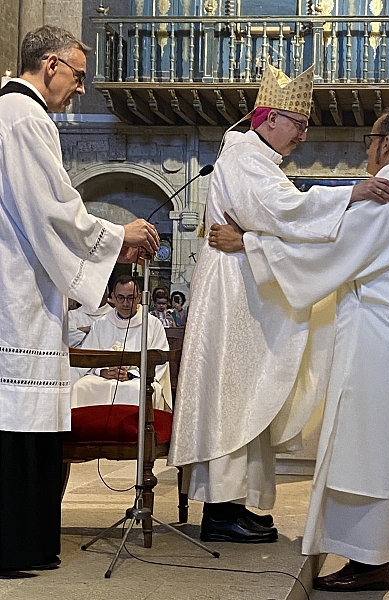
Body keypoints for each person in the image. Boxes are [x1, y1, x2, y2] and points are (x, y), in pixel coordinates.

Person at [168, 63, 389, 544]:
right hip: (235, 294)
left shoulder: (257, 160)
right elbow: (285, 210)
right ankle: (218, 511)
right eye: (297, 123)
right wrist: (350, 193)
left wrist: (250, 238)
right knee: (234, 394)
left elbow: (271, 219)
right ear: (268, 118)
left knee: (248, 395)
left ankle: (234, 503)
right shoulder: (245, 157)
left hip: (248, 286)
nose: (303, 135)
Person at [211, 108, 389, 591]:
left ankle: (369, 561)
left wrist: (247, 242)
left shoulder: (388, 199)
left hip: (378, 332)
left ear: (385, 145)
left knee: (362, 445)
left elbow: (329, 251)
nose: (367, 149)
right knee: (377, 440)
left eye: (369, 139)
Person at [0, 26, 159, 572]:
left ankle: (30, 543)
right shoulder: (23, 117)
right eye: (78, 76)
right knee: (15, 424)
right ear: (50, 66)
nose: (82, 90)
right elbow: (54, 211)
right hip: (15, 294)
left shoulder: (13, 113)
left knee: (25, 423)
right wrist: (121, 236)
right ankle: (15, 545)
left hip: (23, 287)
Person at [70, 275, 171, 410]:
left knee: (137, 391)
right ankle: (89, 431)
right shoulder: (101, 324)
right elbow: (88, 358)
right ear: (113, 297)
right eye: (120, 297)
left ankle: (136, 431)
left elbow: (161, 360)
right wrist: (103, 371)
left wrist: (130, 375)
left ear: (139, 297)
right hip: (104, 377)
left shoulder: (152, 324)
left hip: (139, 379)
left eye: (130, 297)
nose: (125, 303)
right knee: (82, 386)